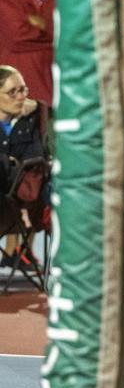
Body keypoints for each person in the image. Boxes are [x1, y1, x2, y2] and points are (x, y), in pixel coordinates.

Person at [0, 65, 48, 267]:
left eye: (23, 90)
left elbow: (36, 159)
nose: (21, 97)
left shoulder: (28, 120)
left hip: (21, 203)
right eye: (13, 92)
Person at [0, 0, 55, 106]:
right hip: (13, 108)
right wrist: (53, 30)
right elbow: (17, 37)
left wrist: (40, 24)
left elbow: (74, 38)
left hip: (55, 104)